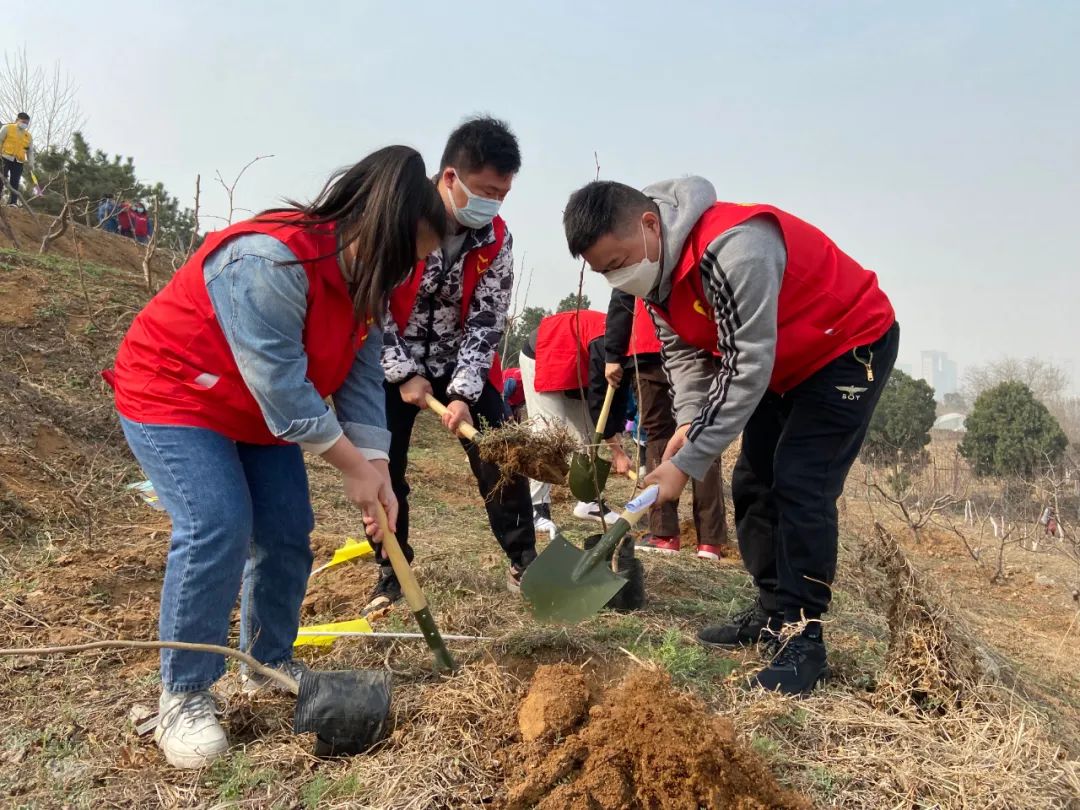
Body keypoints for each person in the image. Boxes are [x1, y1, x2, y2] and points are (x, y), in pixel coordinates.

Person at [108, 145, 445, 769]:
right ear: (374, 226)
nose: (405, 275)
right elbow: (286, 391)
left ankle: (264, 663)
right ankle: (183, 692)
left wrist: (377, 466)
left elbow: (362, 372)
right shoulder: (269, 261)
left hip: (253, 413)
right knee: (218, 522)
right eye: (404, 258)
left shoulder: (375, 275)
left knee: (288, 529)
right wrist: (351, 470)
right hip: (176, 392)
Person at [562, 177, 898, 695]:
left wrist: (686, 461)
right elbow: (685, 354)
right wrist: (692, 420)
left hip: (845, 347)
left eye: (618, 261)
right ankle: (772, 611)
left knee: (800, 482)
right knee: (754, 481)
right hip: (781, 362)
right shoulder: (657, 277)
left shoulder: (736, 247)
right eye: (605, 271)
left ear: (650, 225)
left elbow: (747, 367)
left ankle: (805, 636)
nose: (617, 277)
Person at [378, 116, 535, 613]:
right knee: (385, 465)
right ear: (450, 177)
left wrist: (464, 393)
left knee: (501, 453)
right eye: (487, 190)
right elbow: (370, 302)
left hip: (458, 362)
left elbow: (487, 320)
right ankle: (392, 570)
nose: (494, 204)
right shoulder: (396, 220)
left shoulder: (496, 240)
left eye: (504, 194)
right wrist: (402, 373)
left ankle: (525, 561)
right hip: (390, 362)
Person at [605, 290, 729, 560]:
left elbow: (622, 297)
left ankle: (665, 535)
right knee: (701, 433)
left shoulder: (630, 252)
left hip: (656, 345)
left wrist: (613, 353)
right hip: (696, 340)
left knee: (661, 436)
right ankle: (709, 542)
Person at [519, 308, 633, 537]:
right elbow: (598, 398)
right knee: (547, 432)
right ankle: (534, 507)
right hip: (544, 353)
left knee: (589, 436)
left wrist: (617, 433)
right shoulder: (608, 341)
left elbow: (619, 395)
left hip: (574, 364)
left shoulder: (633, 350)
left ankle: (589, 502)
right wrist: (617, 451)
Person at [0, 113, 34, 205]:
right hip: (4, 158)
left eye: (26, 123)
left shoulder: (28, 136)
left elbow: (30, 151)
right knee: (1, 179)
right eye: (23, 122)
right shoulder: (7, 128)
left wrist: (31, 163)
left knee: (15, 182)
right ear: (17, 120)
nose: (25, 124)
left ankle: (13, 203)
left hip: (18, 162)